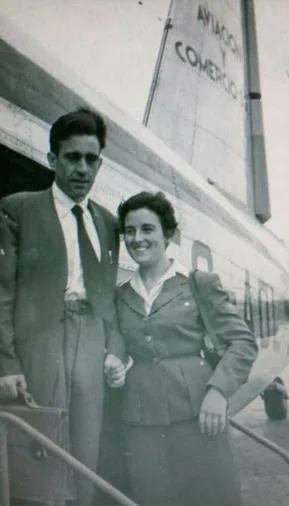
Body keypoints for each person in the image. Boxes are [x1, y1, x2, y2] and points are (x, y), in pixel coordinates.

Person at [0, 109, 127, 506]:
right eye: (72, 157)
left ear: (100, 163)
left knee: (86, 451)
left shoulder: (107, 222)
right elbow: (1, 293)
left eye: (91, 159)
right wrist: (6, 363)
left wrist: (115, 350)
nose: (82, 168)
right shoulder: (18, 208)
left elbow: (110, 300)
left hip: (91, 342)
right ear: (53, 159)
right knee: (39, 451)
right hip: (40, 342)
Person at [115, 191, 258, 506]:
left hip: (199, 416)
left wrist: (218, 392)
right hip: (141, 424)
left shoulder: (197, 283)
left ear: (167, 234)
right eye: (130, 231)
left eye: (147, 229)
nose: (137, 238)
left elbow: (243, 343)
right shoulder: (121, 295)